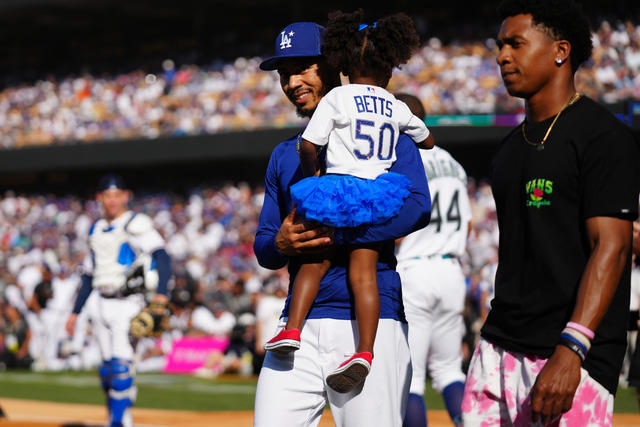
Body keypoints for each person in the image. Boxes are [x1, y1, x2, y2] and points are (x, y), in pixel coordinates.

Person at [461, 1, 640, 425]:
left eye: (516, 44)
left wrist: (572, 348)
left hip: (569, 356)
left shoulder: (603, 137)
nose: (502, 56)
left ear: (561, 51)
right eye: (500, 45)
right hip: (497, 348)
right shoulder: (506, 151)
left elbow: (611, 247)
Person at [254, 19, 431, 427]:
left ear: (336, 64)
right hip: (296, 326)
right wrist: (281, 244)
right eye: (284, 73)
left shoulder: (389, 138)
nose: (291, 81)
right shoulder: (286, 154)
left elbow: (418, 206)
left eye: (302, 68)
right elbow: (264, 245)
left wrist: (339, 228)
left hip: (370, 323)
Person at [65, 174, 171, 427]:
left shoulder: (136, 223)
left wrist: (161, 295)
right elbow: (90, 275)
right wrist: (75, 312)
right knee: (106, 372)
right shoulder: (96, 228)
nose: (111, 200)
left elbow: (162, 256)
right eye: (107, 195)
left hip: (127, 301)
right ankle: (120, 417)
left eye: (116, 194)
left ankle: (117, 422)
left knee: (122, 369)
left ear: (125, 195)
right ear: (100, 198)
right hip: (99, 300)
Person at [394, 93, 470, 427]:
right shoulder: (453, 162)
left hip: (415, 268)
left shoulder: (403, 160)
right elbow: (467, 221)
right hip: (452, 269)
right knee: (449, 370)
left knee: (411, 376)